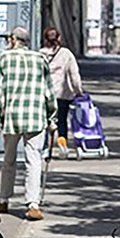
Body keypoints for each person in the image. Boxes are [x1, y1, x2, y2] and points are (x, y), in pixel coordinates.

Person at [0, 26, 57, 221]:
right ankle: (33, 205)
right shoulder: (40, 59)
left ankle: (3, 199)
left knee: (8, 159)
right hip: (36, 117)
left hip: (12, 117)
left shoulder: (4, 58)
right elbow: (49, 92)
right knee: (34, 160)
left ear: (12, 39)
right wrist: (52, 118)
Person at [39, 26, 83, 155]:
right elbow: (74, 75)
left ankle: (46, 148)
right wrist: (78, 90)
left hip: (45, 93)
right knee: (62, 120)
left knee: (46, 121)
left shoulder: (40, 54)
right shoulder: (66, 53)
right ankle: (62, 144)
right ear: (58, 38)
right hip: (63, 94)